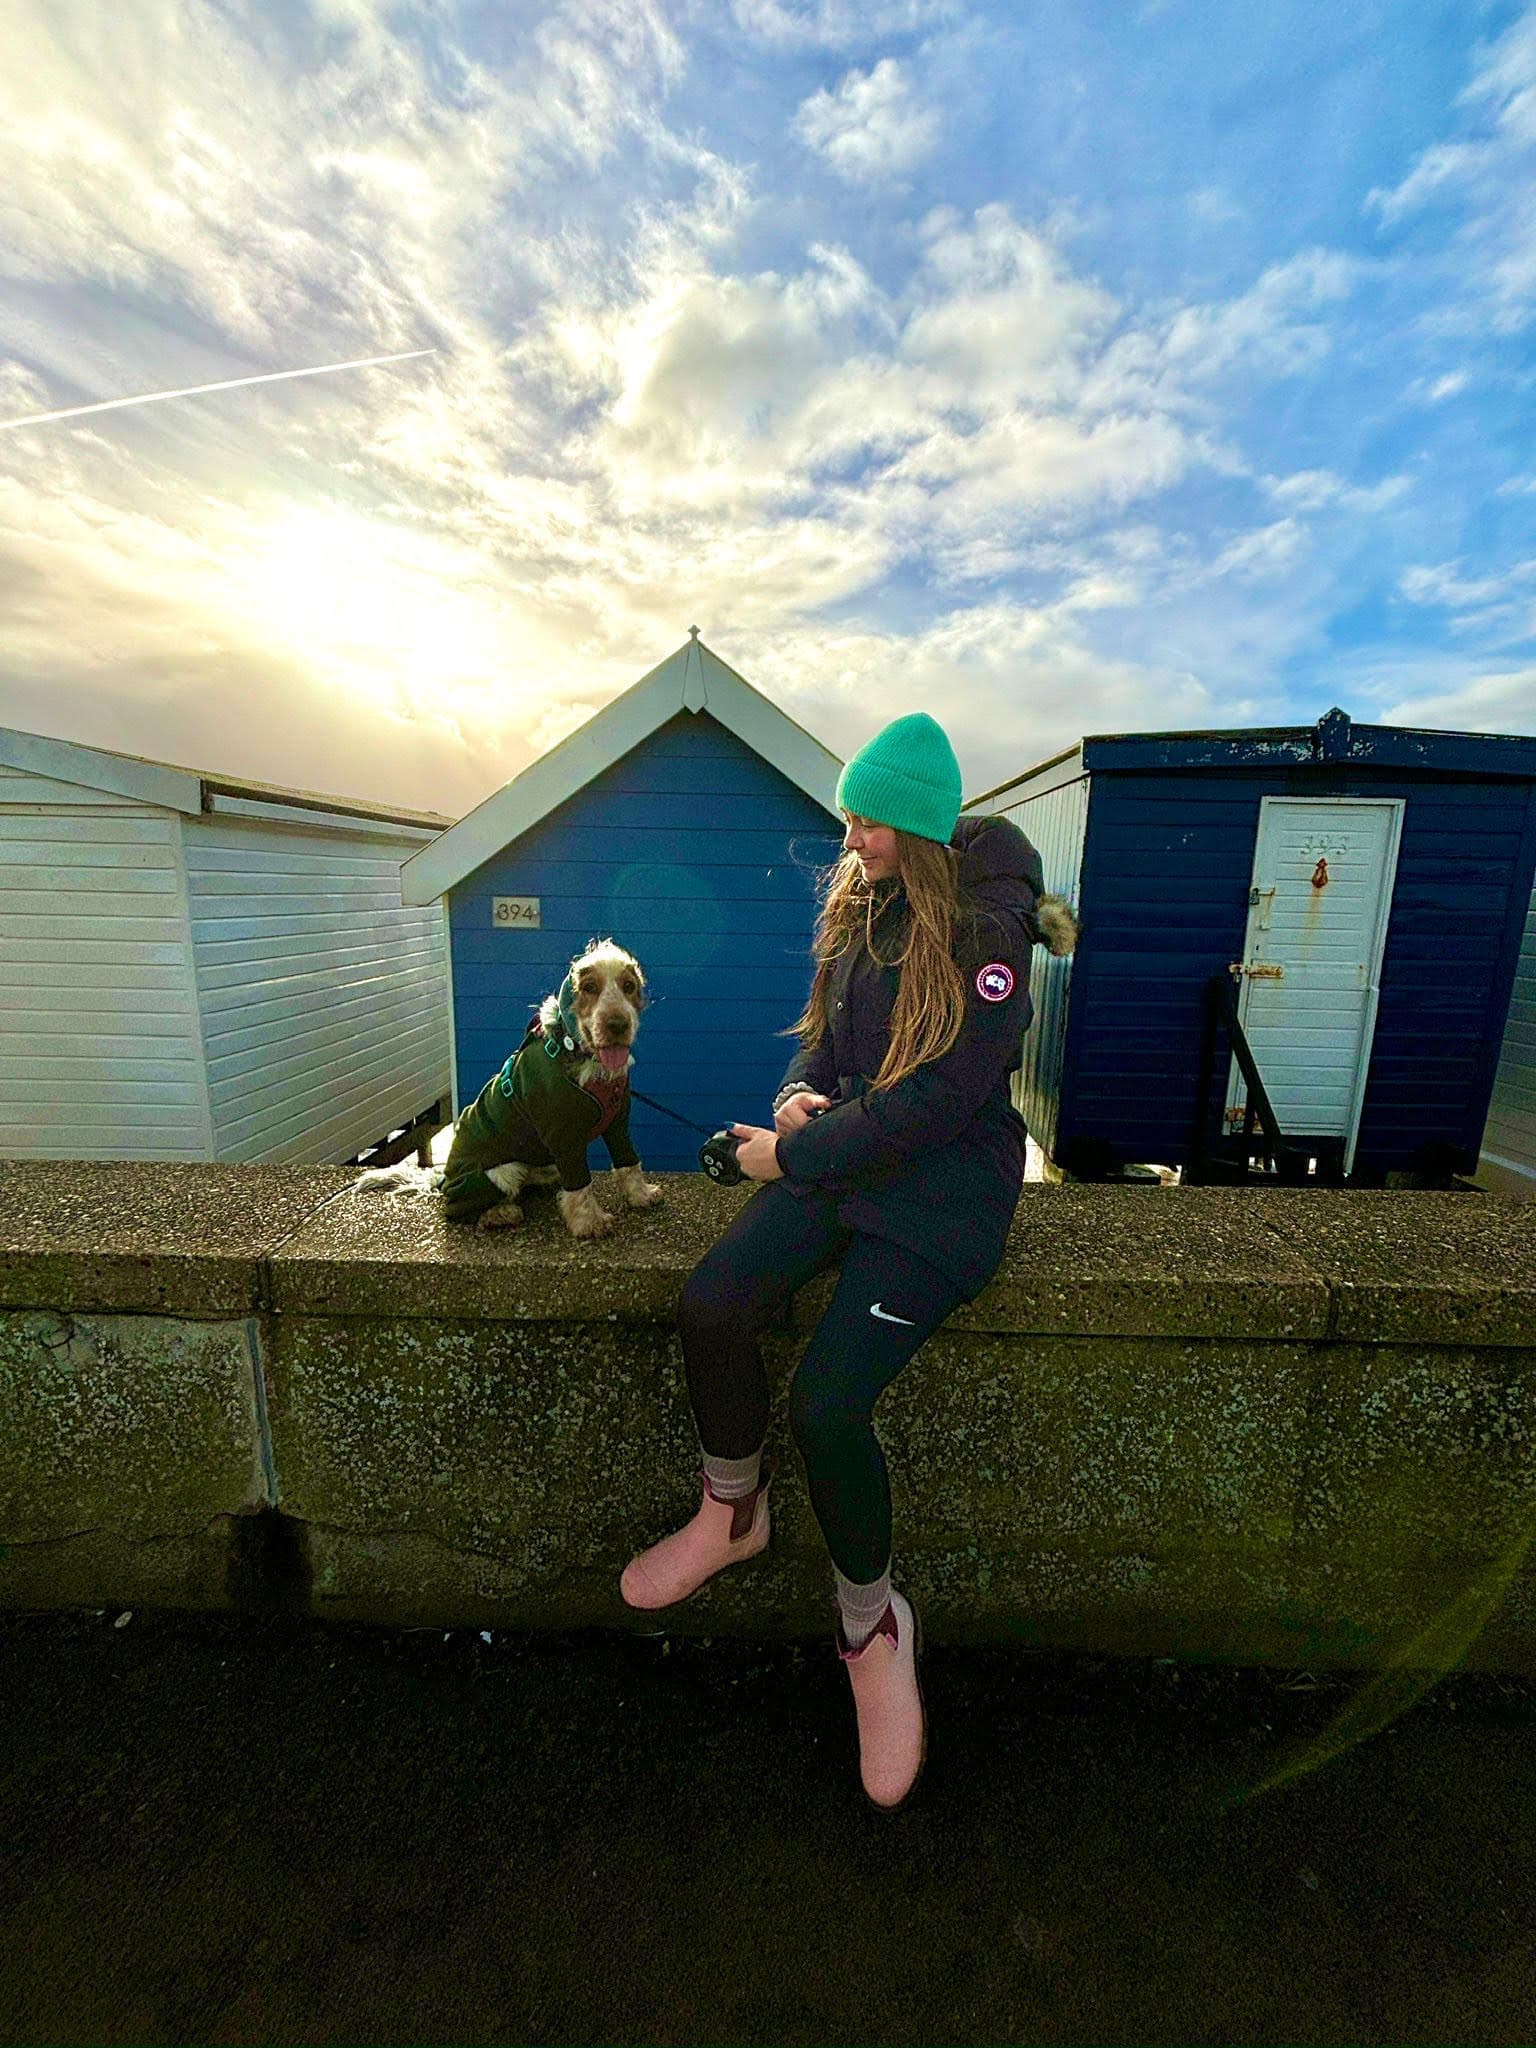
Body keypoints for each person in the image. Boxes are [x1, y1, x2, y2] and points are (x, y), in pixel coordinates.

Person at [619, 710, 1076, 1810]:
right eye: (850, 817)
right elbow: (829, 1045)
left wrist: (790, 1154)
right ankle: (733, 1513)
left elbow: (939, 1101)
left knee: (828, 1402)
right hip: (844, 1157)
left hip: (941, 1197)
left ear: (916, 827)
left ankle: (872, 1628)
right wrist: (796, 1098)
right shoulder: (863, 906)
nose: (852, 836)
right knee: (713, 1301)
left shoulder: (988, 938)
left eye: (869, 821)